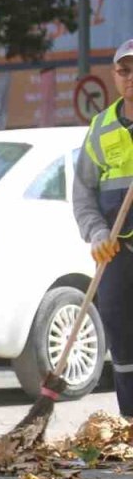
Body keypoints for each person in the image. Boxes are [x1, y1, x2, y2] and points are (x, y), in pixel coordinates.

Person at [74, 39, 133, 417]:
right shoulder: (100, 128)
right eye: (124, 70)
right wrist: (97, 234)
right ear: (114, 77)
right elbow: (84, 196)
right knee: (122, 337)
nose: (131, 78)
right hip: (117, 251)